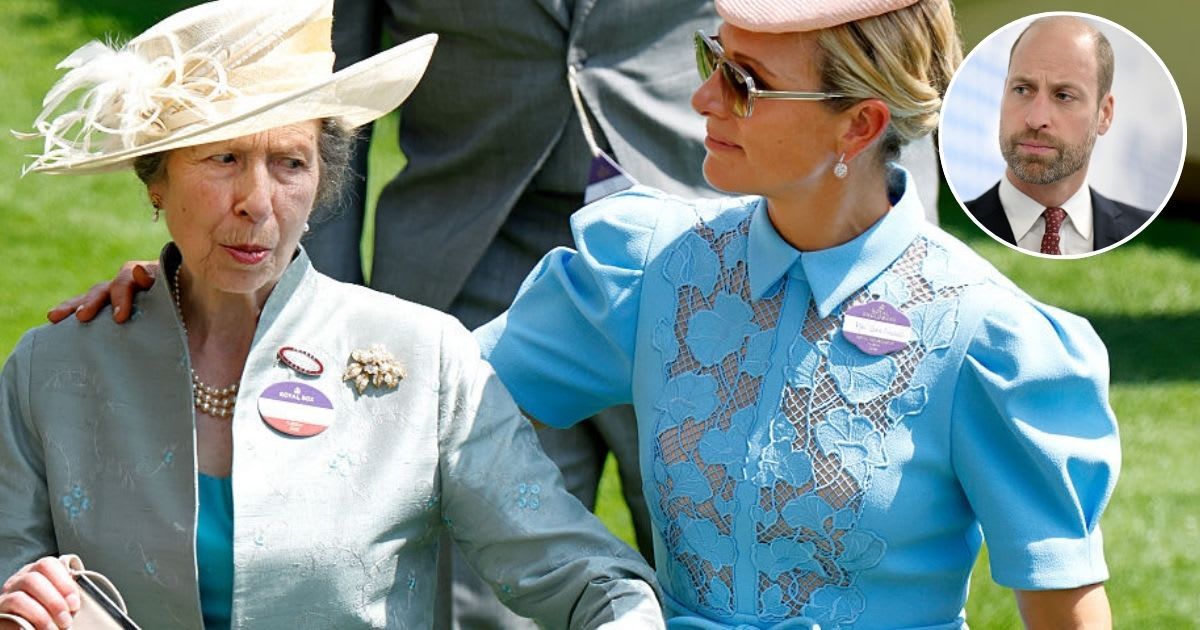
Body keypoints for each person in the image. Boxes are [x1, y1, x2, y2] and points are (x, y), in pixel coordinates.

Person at [0, 1, 663, 628]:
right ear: (155, 177)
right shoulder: (53, 369)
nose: (257, 202)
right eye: (224, 157)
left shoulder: (425, 363)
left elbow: (588, 580)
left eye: (289, 163)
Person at [474, 0, 1121, 627]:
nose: (703, 100)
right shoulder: (657, 266)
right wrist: (597, 581)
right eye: (713, 61)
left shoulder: (985, 336)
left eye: (744, 84)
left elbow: (1066, 617)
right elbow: (449, 405)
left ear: (860, 126)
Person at [965, 15, 1153, 255]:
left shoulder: (1143, 236)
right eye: (1022, 90)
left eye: (1063, 96)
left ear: (1104, 114)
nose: (1036, 119)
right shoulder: (949, 229)